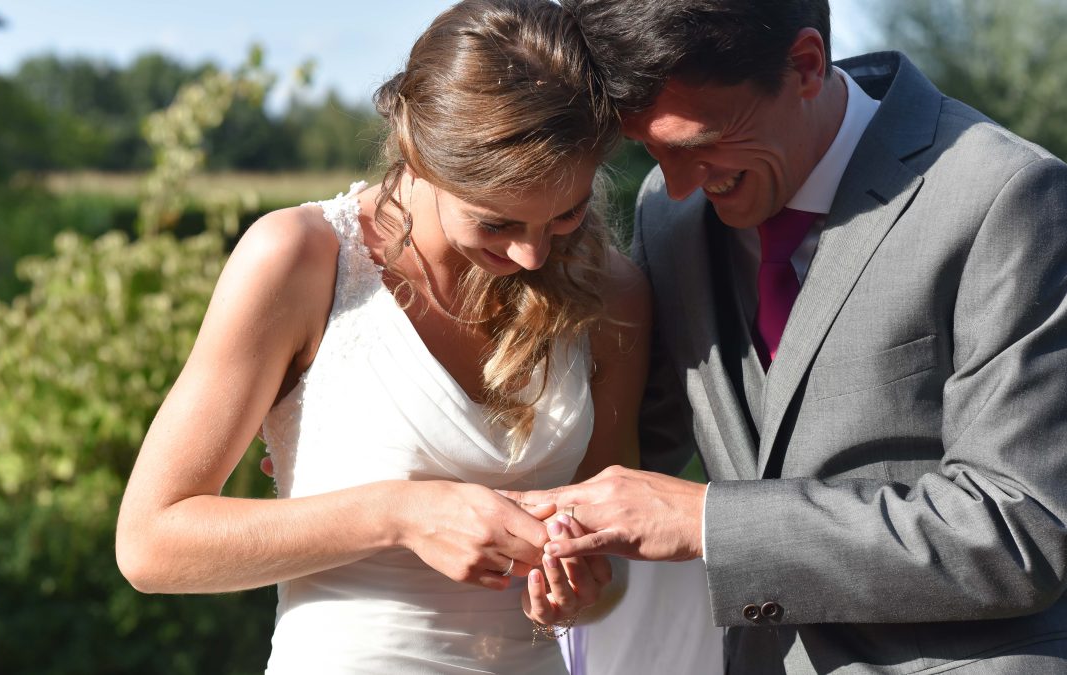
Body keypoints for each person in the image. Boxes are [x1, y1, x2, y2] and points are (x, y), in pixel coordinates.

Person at [503, 0, 1067, 671]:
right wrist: (569, 549)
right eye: (649, 150)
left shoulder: (1005, 195)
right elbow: (640, 449)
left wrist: (709, 523)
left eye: (694, 144)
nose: (675, 183)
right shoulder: (668, 213)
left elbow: (1021, 530)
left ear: (804, 65)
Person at [115, 1, 652, 672]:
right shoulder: (302, 260)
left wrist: (576, 593)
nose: (533, 256)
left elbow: (613, 557)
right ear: (420, 158)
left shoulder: (614, 295)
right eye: (495, 223)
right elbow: (151, 544)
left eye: (567, 213)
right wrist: (400, 513)